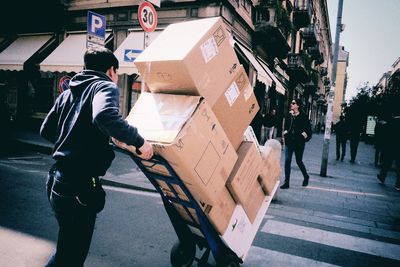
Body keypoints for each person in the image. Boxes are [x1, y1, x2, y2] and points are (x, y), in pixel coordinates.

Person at [40, 47, 153, 267]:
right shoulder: (104, 85)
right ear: (111, 70)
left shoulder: (67, 92)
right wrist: (140, 142)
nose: (117, 77)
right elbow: (104, 115)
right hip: (78, 185)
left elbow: (46, 129)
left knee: (66, 250)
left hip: (57, 181)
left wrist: (76, 143)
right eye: (117, 72)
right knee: (71, 256)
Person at [280, 98, 312, 189]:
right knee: (287, 160)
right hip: (289, 141)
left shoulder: (304, 116)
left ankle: (306, 176)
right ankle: (286, 182)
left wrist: (304, 136)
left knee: (299, 161)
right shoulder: (289, 115)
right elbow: (286, 126)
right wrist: (285, 132)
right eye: (291, 103)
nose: (291, 104)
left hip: (299, 143)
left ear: (298, 105)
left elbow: (308, 131)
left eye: (293, 103)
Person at [376, 113, 400, 191]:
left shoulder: (393, 121)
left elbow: (385, 133)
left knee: (387, 163)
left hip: (391, 146)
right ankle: (398, 184)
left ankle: (382, 177)